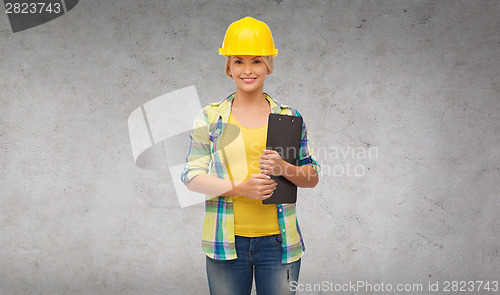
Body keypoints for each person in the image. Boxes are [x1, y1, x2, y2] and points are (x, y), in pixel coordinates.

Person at [181, 16, 320, 295]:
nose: (248, 70)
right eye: (239, 61)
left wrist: (283, 167)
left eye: (256, 61)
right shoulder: (211, 117)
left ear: (268, 65)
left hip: (279, 244)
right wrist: (240, 188)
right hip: (226, 242)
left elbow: (312, 176)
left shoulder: (288, 117)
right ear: (228, 67)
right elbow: (191, 177)